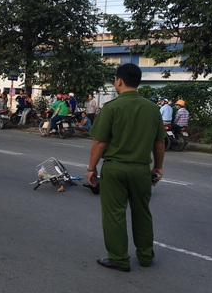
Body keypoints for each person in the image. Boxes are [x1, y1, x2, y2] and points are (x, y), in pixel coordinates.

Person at [87, 63, 166, 272]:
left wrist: (91, 169)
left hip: (115, 169)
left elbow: (99, 143)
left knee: (114, 214)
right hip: (141, 169)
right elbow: (159, 143)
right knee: (142, 213)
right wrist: (158, 168)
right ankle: (146, 256)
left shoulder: (111, 107)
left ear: (119, 81)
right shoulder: (152, 109)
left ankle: (119, 258)